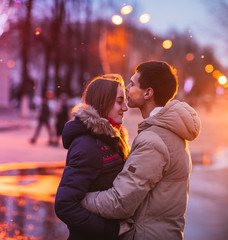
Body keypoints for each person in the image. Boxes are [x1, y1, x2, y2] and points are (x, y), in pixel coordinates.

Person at [81, 61, 202, 239]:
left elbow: (119, 202)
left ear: (148, 93)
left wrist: (80, 198)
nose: (127, 88)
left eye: (132, 83)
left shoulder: (152, 140)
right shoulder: (172, 132)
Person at [55, 74, 131, 240]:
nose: (125, 107)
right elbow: (65, 205)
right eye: (120, 101)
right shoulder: (87, 146)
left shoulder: (110, 139)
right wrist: (110, 231)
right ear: (103, 102)